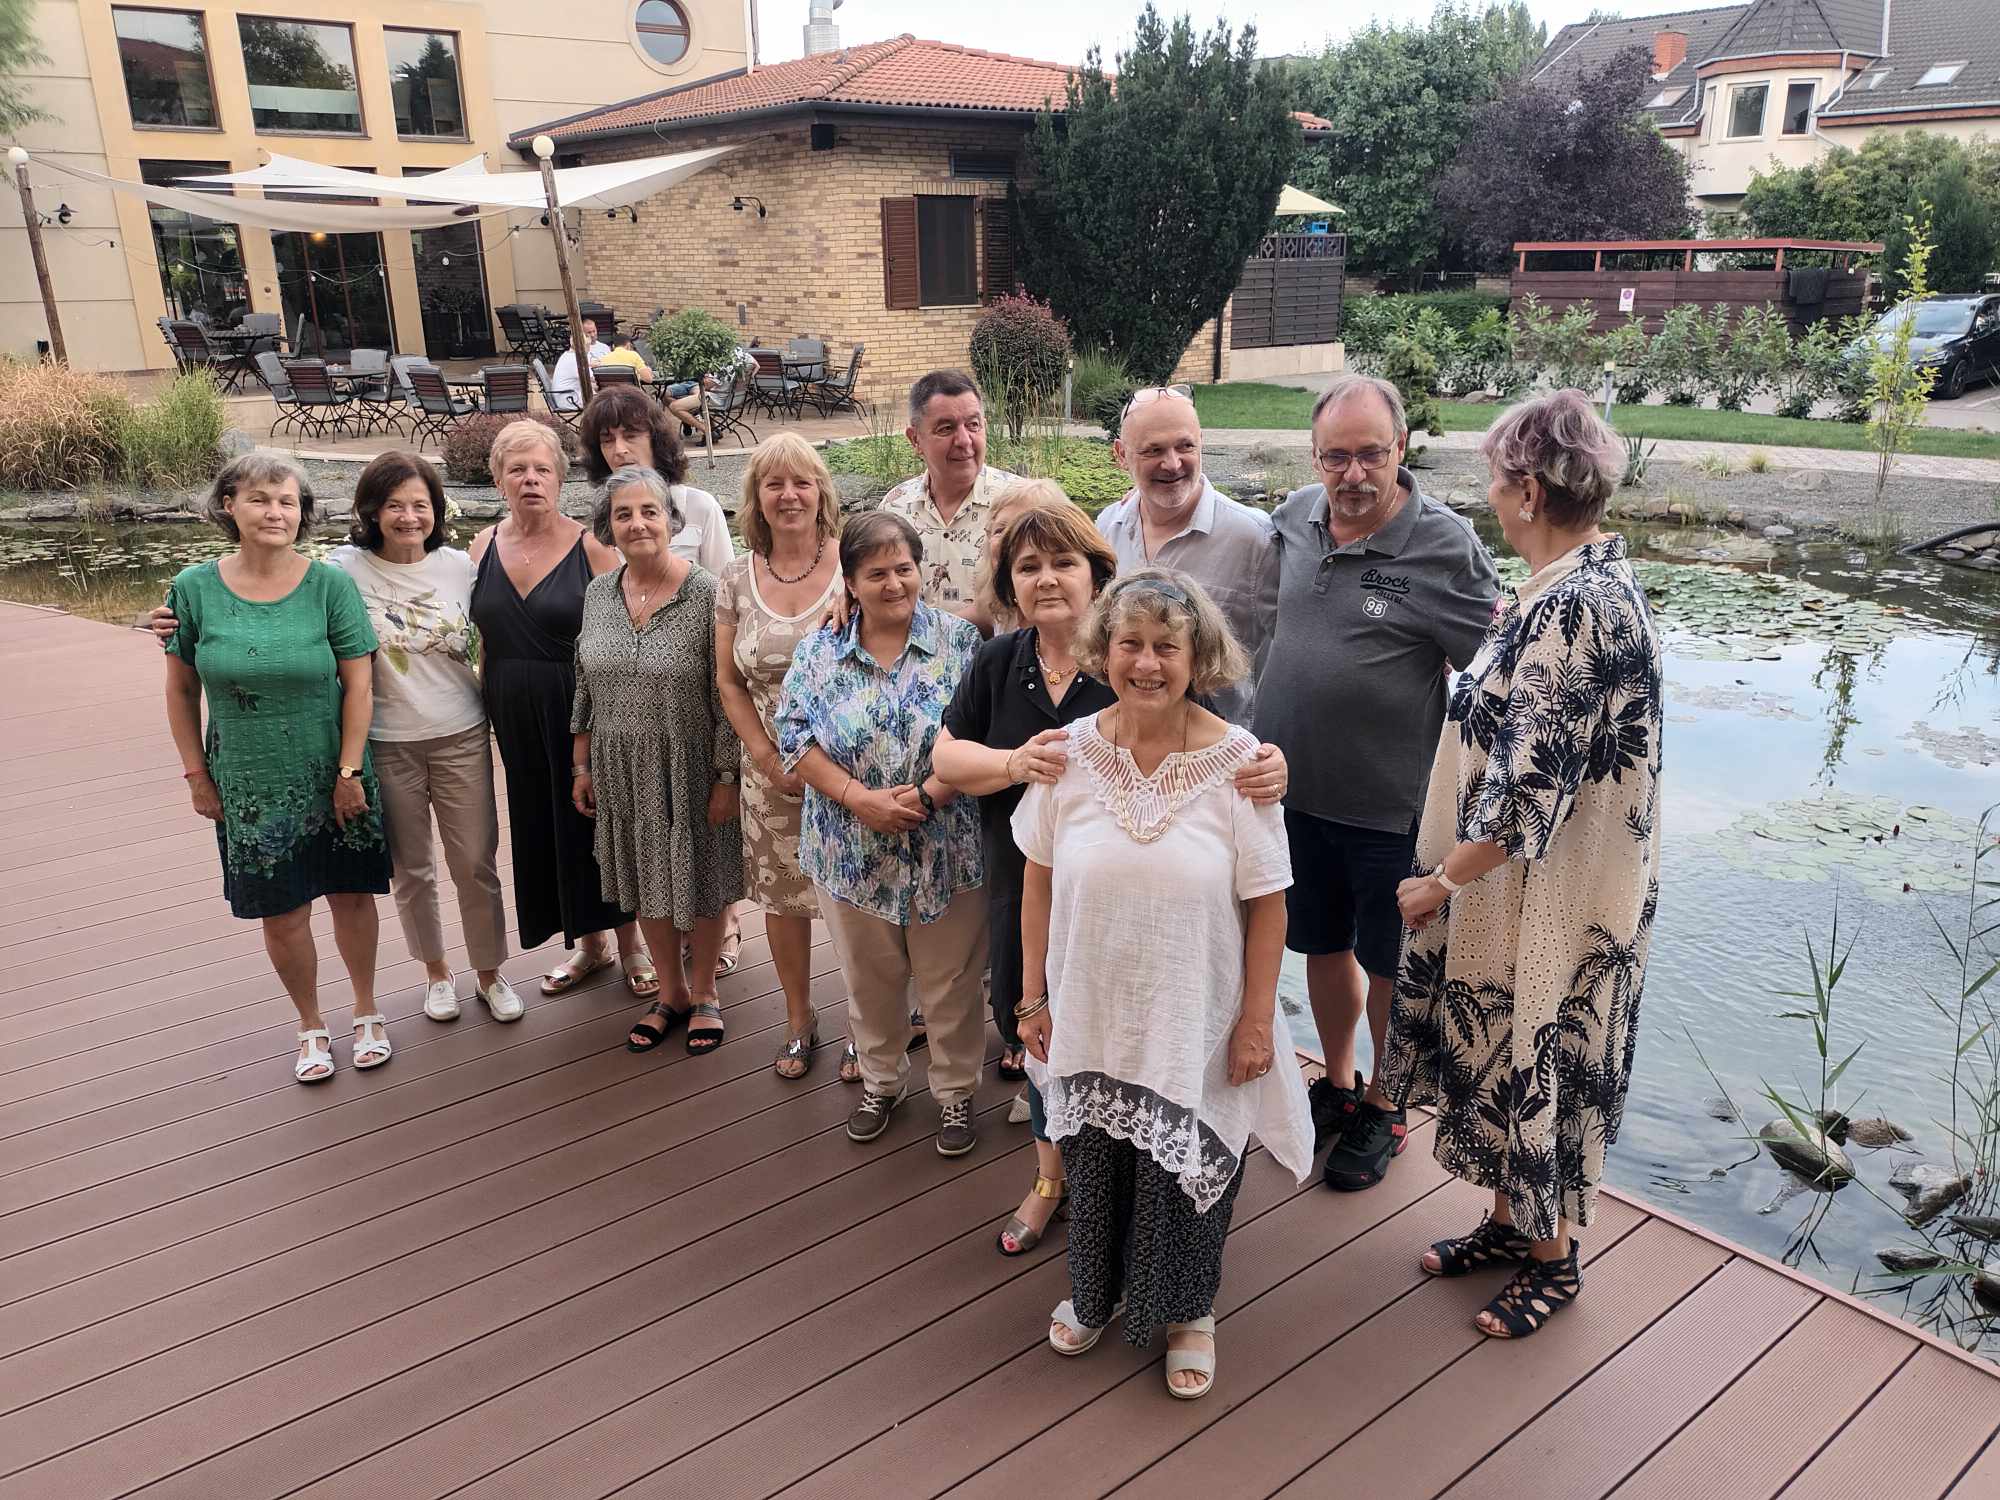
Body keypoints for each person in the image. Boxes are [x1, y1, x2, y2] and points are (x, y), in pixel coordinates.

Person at [933, 494, 1290, 1258]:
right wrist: (1015, 763)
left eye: (1063, 562)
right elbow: (946, 757)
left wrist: (1273, 764)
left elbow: (1229, 747)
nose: (1046, 578)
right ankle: (1051, 1180)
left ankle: (1145, 1216)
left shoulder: (1137, 656)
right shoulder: (1000, 662)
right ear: (1009, 581)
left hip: (1149, 918)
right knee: (1040, 1028)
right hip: (1033, 880)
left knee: (1127, 1041)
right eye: (1028, 565)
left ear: (1097, 574)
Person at [1381, 390, 1662, 1339]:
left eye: (1499, 486)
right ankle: (1509, 1224)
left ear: (1531, 492)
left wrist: (1440, 881)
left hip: (1550, 889)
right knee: (1507, 1048)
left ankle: (1554, 1260)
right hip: (1529, 881)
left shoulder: (1576, 607)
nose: (1493, 502)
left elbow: (1527, 788)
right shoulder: (1573, 585)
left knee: (1541, 1051)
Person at [1014, 568, 1311, 1399]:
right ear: (1103, 651)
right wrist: (1033, 995)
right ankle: (1095, 1293)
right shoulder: (1066, 754)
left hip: (1195, 1012)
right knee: (1094, 1156)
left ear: (1197, 656)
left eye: (1166, 647)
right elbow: (1037, 878)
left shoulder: (1242, 765)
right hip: (1092, 1004)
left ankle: (1189, 1313)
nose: (1147, 664)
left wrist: (1257, 1022)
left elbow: (1271, 905)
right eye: (1130, 644)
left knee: (1185, 1174)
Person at [145, 453, 522, 1023]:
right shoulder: (344, 568)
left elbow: (506, 621)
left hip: (460, 732)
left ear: (437, 511)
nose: (409, 517)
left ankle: (489, 973)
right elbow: (258, 594)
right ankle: (436, 973)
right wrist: (163, 620)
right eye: (394, 505)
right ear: (371, 511)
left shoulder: (459, 568)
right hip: (384, 739)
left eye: (421, 505)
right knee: (411, 868)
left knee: (475, 862)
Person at [1256, 373, 1500, 1195]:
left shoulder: (1444, 546)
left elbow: (1493, 676)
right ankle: (1339, 1081)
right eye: (1336, 457)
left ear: (1401, 448)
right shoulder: (1294, 518)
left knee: (1389, 963)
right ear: (1314, 456)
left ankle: (1388, 1104)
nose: (1353, 474)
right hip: (1292, 795)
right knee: (1320, 946)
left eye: (1370, 454)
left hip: (1392, 809)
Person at [161, 455, 392, 1084]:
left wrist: (349, 773)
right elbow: (180, 690)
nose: (275, 513)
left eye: (287, 502)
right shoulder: (193, 589)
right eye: (260, 499)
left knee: (351, 894)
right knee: (282, 910)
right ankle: (310, 1024)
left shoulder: (328, 586)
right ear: (229, 506)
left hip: (334, 770)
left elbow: (360, 686)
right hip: (249, 778)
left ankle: (366, 1010)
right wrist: (196, 775)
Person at [775, 512, 987, 1156]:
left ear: (921, 571)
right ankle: (881, 1082)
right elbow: (794, 736)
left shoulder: (960, 642)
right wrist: (858, 799)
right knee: (870, 980)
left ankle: (955, 1093)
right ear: (850, 583)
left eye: (904, 569)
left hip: (946, 845)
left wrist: (927, 794)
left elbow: (984, 734)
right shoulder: (820, 650)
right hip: (849, 850)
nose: (894, 584)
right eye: (876, 573)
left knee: (951, 981)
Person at [469, 420, 655, 997]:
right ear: (498, 480)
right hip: (512, 712)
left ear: (560, 478)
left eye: (542, 469)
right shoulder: (481, 546)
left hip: (582, 711)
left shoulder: (592, 547)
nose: (530, 479)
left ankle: (632, 944)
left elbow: (626, 637)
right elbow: (474, 635)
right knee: (542, 825)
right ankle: (589, 946)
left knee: (598, 824)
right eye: (517, 470)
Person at [572, 467, 745, 1054]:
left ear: (672, 521)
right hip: (620, 765)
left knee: (701, 875)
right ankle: (669, 992)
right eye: (623, 514)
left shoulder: (707, 593)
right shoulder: (599, 593)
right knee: (646, 877)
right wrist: (581, 765)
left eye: (650, 511)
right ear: (608, 527)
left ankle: (705, 992)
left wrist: (726, 776)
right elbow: (584, 683)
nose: (638, 523)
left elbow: (727, 694)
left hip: (690, 761)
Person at [715, 433, 853, 1081]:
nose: (790, 495)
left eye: (802, 482)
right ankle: (800, 1020)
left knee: (857, 902)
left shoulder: (856, 564)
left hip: (851, 771)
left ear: (821, 492)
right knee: (783, 903)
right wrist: (767, 758)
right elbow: (728, 682)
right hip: (770, 774)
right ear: (757, 498)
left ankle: (867, 1025)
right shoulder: (735, 578)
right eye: (775, 484)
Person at [1095, 386, 1277, 726]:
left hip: (1218, 745)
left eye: (1185, 446)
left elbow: (1292, 649)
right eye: (1153, 450)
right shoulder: (1107, 527)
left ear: (1201, 442)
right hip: (1125, 736)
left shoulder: (1254, 538)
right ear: (1121, 455)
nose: (1172, 463)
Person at [879, 370, 1018, 621]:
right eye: (946, 428)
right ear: (915, 439)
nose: (964, 440)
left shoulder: (1020, 504)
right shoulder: (894, 507)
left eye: (973, 425)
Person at [550, 318, 610, 410]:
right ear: (581, 347)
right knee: (608, 401)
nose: (588, 349)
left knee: (602, 394)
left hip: (566, 396)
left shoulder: (568, 356)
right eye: (588, 346)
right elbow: (595, 379)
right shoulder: (576, 360)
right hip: (570, 400)